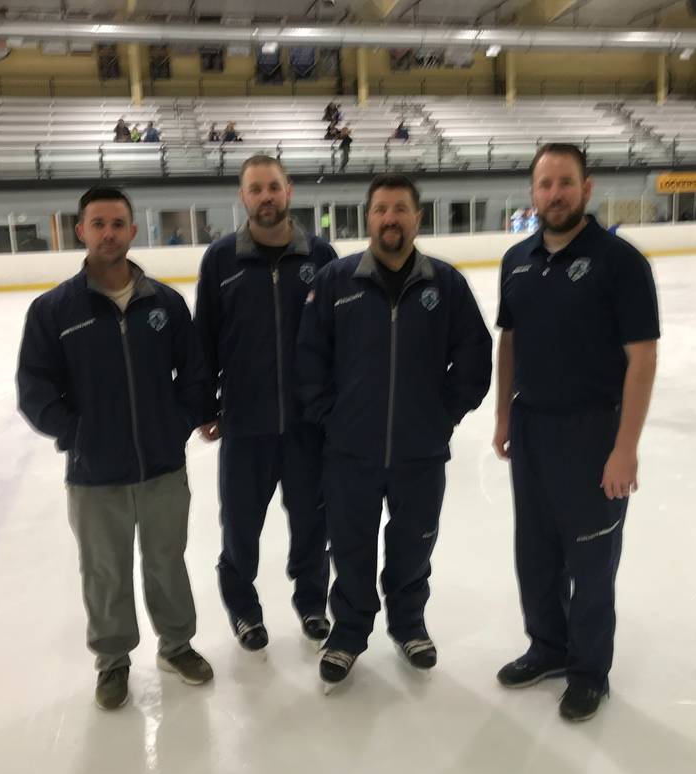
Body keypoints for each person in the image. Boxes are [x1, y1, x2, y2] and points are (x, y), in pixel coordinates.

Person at [16, 185, 213, 711]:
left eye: (117, 223)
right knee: (104, 570)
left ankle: (177, 646)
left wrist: (177, 423)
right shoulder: (53, 310)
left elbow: (194, 376)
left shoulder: (165, 304)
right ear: (81, 231)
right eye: (97, 224)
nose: (108, 233)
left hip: (162, 466)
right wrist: (78, 435)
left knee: (167, 561)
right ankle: (113, 661)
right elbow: (35, 389)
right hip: (94, 474)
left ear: (132, 230)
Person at [297, 173, 492, 690]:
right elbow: (309, 360)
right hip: (349, 451)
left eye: (400, 209)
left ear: (416, 218)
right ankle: (349, 633)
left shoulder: (444, 284)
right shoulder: (336, 282)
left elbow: (474, 356)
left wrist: (441, 413)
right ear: (369, 219)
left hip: (420, 452)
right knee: (351, 546)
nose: (390, 218)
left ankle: (409, 625)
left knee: (414, 544)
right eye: (381, 209)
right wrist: (331, 417)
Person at [492, 143, 660, 722]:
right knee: (535, 553)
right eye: (545, 184)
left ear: (587, 189)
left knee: (590, 563)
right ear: (532, 193)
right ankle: (548, 647)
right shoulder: (516, 259)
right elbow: (509, 342)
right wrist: (503, 415)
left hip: (594, 431)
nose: (555, 194)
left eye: (566, 182)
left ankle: (589, 671)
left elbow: (642, 359)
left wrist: (626, 448)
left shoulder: (620, 261)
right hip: (533, 428)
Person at [194, 155, 339, 653]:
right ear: (243, 197)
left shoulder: (321, 256)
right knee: (239, 526)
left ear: (289, 191)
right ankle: (244, 610)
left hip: (308, 426)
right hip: (245, 424)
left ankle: (312, 602)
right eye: (255, 189)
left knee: (312, 521)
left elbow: (338, 339)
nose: (265, 197)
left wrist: (335, 408)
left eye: (273, 187)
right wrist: (206, 406)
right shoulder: (220, 260)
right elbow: (204, 339)